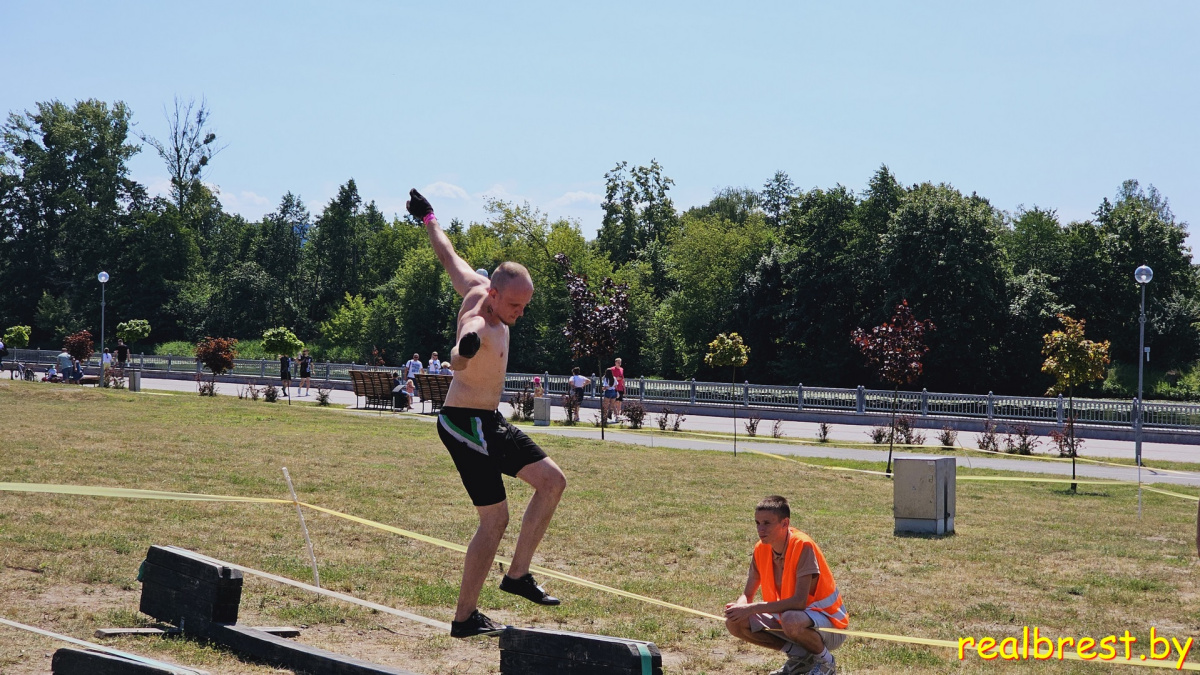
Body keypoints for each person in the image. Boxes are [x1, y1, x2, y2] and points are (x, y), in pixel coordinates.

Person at [408, 187, 567, 638]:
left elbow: (448, 255)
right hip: (462, 422)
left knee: (552, 482)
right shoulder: (478, 319)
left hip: (490, 421)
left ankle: (517, 576)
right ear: (494, 294)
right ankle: (464, 619)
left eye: (525, 305)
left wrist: (429, 217)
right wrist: (464, 351)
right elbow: (458, 357)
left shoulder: (477, 284)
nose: (520, 313)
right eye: (515, 305)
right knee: (495, 519)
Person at [725, 496, 848, 675]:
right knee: (734, 623)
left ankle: (826, 663)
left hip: (831, 625)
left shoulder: (803, 545)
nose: (760, 529)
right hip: (792, 620)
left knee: (791, 619)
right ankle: (801, 658)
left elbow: (799, 602)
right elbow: (747, 594)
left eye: (767, 523)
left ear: (785, 523)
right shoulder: (761, 548)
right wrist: (739, 607)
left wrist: (751, 608)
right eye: (757, 523)